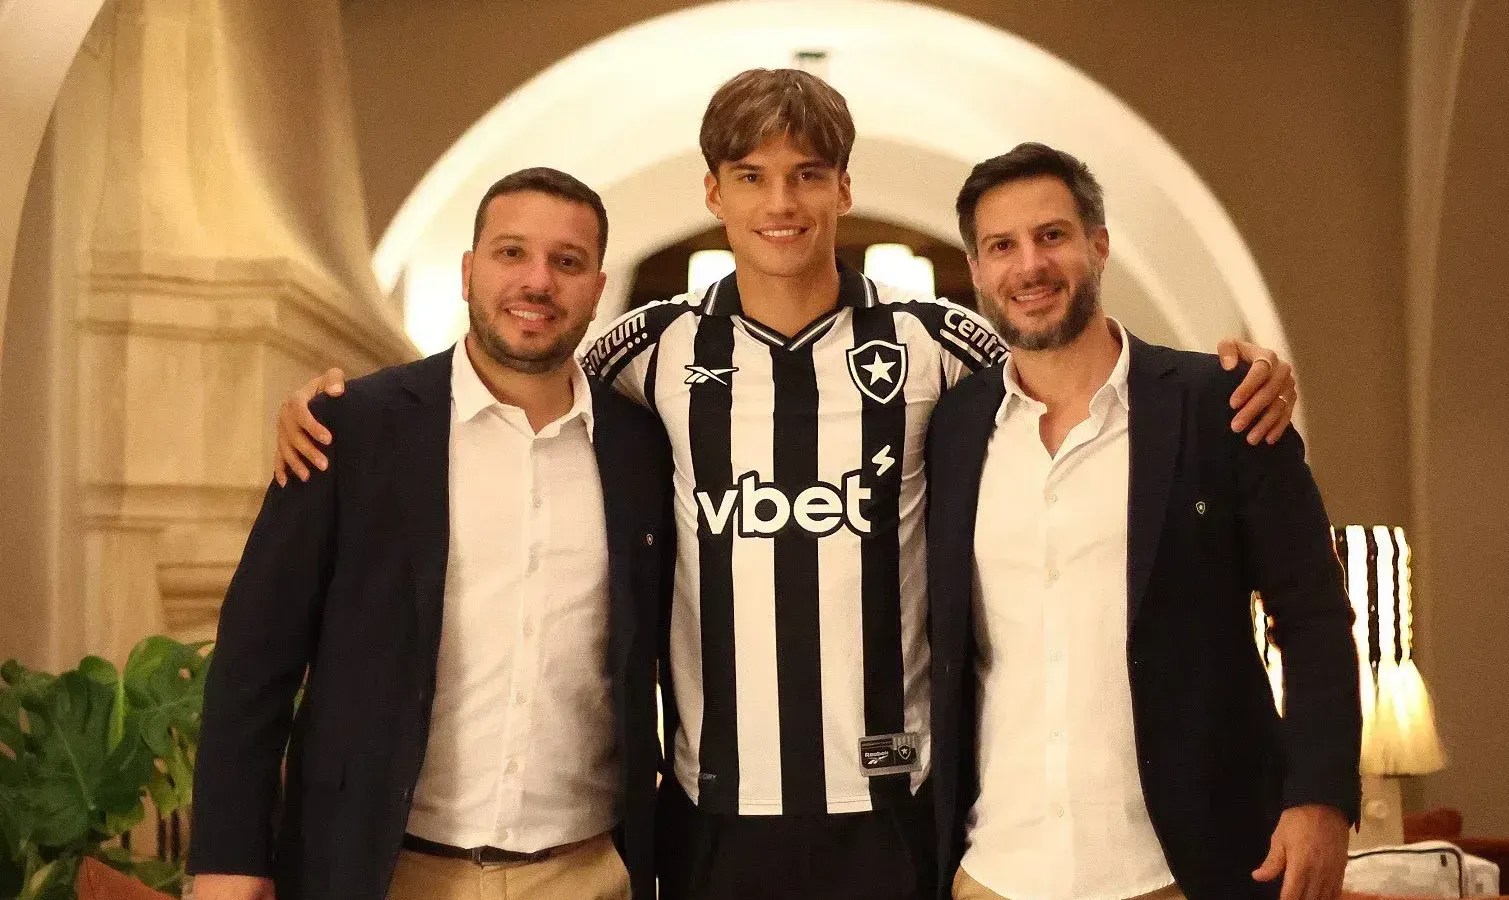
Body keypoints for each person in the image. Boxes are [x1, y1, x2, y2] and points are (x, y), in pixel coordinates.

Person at [272, 71, 1298, 900]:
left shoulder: (939, 344)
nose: (781, 202)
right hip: (715, 821)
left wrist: (1225, 377)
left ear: (843, 190)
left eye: (808, 175)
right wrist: (341, 405)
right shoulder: (646, 351)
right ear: (712, 193)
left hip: (896, 815)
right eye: (752, 175)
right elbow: (511, 384)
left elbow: (1074, 373)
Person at [188, 168, 673, 900]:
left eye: (567, 261)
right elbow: (256, 658)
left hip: (586, 874)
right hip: (384, 872)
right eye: (512, 253)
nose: (538, 281)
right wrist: (229, 858)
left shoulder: (643, 449)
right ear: (469, 271)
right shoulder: (350, 429)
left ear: (597, 287)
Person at [925, 143, 1361, 900]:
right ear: (977, 270)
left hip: (1180, 870)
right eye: (1002, 246)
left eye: (1052, 235)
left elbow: (1314, 616)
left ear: (1098, 244)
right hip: (996, 869)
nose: (1030, 266)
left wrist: (1319, 796)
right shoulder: (952, 429)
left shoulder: (1222, 405)